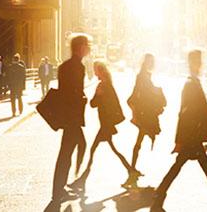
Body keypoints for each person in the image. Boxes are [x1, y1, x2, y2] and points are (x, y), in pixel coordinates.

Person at [151, 50, 207, 212]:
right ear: (193, 63)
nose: (201, 64)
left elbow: (200, 105)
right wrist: (179, 140)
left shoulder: (193, 82)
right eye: (198, 61)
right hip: (192, 137)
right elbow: (184, 112)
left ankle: (158, 199)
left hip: (193, 137)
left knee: (180, 169)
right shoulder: (191, 84)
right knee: (205, 174)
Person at [67, 60, 140, 193]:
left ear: (100, 71)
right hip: (106, 124)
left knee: (93, 151)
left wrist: (99, 96)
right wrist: (98, 96)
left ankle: (81, 182)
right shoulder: (105, 85)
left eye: (96, 70)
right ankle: (131, 171)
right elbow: (95, 104)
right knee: (112, 150)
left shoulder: (104, 86)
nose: (94, 72)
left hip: (106, 125)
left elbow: (98, 104)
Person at [51, 34, 90, 203]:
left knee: (70, 150)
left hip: (68, 116)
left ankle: (62, 187)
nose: (89, 48)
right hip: (72, 116)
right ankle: (63, 188)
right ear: (80, 47)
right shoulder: (77, 67)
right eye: (87, 45)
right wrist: (82, 98)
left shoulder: (66, 65)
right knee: (68, 151)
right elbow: (73, 92)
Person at [127, 53, 165, 187]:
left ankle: (132, 170)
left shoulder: (145, 75)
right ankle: (131, 172)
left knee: (140, 140)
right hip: (144, 113)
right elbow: (140, 93)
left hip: (145, 112)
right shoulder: (143, 76)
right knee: (139, 141)